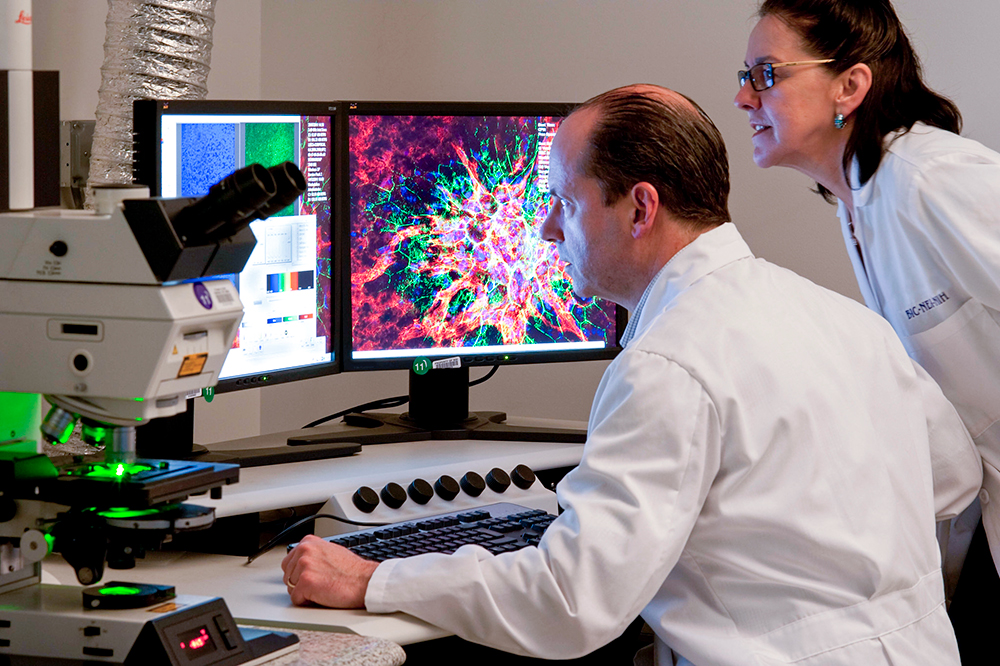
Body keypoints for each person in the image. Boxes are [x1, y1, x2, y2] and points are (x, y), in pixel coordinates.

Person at [282, 84, 981, 665]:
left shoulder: (667, 364)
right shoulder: (846, 322)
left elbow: (571, 604)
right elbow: (954, 477)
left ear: (640, 207)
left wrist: (376, 578)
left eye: (564, 199)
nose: (550, 230)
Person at [733, 0, 1000, 656]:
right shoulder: (863, 203)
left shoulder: (931, 179)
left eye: (766, 74)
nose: (743, 97)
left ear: (849, 86)